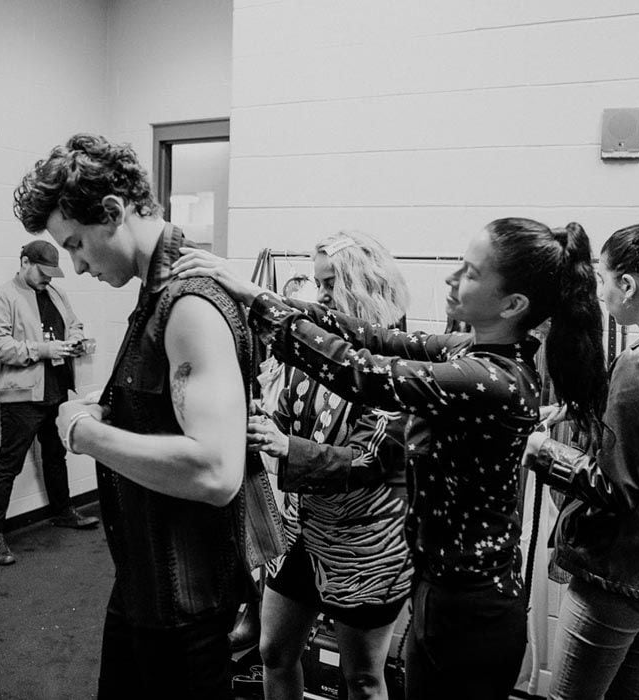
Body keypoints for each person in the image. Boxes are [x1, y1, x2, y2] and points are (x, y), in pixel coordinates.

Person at [172, 217, 608, 700]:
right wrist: (259, 296)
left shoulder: (489, 380)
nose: (450, 277)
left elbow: (363, 371)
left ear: (513, 304)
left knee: (366, 679)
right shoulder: (471, 351)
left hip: (467, 610)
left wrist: (264, 307)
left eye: (469, 271)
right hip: (440, 592)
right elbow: (374, 340)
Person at [13, 134, 255, 699]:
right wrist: (110, 406)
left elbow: (216, 473)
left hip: (184, 606)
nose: (74, 265)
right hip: (144, 584)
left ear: (114, 213)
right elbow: (163, 412)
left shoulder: (189, 304)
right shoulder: (154, 293)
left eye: (76, 245)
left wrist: (85, 432)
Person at [247, 231, 413, 700]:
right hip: (302, 531)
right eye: (319, 284)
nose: (319, 297)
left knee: (361, 679)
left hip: (368, 546)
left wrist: (285, 446)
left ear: (362, 288)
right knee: (273, 651)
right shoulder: (314, 351)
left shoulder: (398, 360)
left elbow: (371, 456)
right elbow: (285, 416)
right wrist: (259, 421)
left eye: (328, 285)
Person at [523, 223, 639, 700]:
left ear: (627, 285)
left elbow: (617, 486)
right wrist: (580, 411)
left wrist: (540, 450)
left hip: (617, 574)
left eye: (604, 279)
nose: (601, 292)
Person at [0, 239, 99, 566]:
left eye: (52, 273)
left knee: (55, 454)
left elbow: (73, 323)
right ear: (24, 262)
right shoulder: (2, 298)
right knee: (9, 463)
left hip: (56, 389)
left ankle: (63, 512)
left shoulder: (57, 294)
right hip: (22, 396)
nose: (49, 278)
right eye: (43, 272)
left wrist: (75, 338)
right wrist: (43, 350)